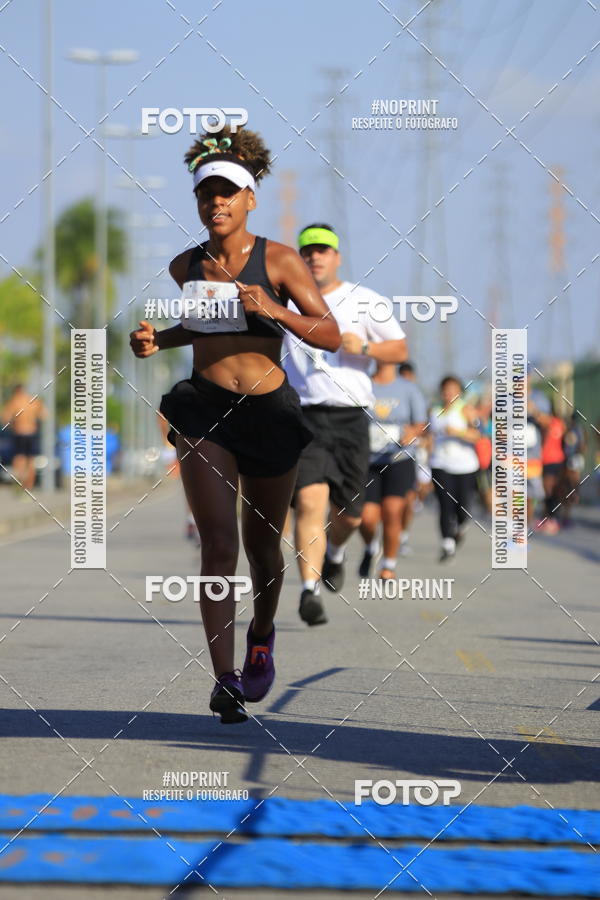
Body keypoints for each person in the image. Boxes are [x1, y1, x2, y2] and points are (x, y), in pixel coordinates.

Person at [130, 128, 340, 723]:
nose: (216, 202)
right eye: (206, 194)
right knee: (218, 544)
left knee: (262, 548)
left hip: (270, 414)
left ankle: (262, 635)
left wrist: (272, 308)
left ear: (250, 198)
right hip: (204, 409)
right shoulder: (186, 265)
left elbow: (330, 333)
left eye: (227, 192)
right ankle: (224, 678)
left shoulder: (279, 260)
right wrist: (157, 340)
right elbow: (205, 327)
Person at [283, 223, 407, 625]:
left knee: (351, 515)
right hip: (305, 417)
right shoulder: (285, 302)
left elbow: (400, 348)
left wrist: (367, 346)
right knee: (309, 504)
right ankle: (309, 591)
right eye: (307, 251)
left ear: (336, 257)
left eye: (322, 250)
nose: (314, 257)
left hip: (352, 417)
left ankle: (335, 554)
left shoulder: (364, 300)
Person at [358, 362, 427, 580]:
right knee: (366, 518)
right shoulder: (362, 383)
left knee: (391, 511)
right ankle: (371, 547)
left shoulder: (408, 388)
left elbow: (421, 423)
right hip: (368, 460)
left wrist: (413, 432)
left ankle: (388, 564)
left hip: (399, 458)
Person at [429, 376, 480, 562]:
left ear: (459, 392)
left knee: (463, 507)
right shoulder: (434, 410)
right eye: (445, 389)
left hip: (465, 466)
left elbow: (478, 435)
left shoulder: (466, 409)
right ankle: (447, 544)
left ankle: (460, 528)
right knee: (445, 504)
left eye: (453, 389)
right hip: (440, 463)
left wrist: (458, 432)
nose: (448, 393)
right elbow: (429, 436)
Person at [1, 384, 46, 491]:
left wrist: (13, 425)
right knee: (31, 458)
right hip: (32, 432)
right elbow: (44, 415)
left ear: (16, 391)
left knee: (19, 457)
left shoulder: (15, 401)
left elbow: (5, 417)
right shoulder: (34, 401)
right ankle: (29, 485)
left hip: (19, 432)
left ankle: (20, 483)